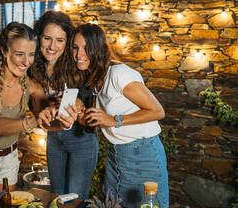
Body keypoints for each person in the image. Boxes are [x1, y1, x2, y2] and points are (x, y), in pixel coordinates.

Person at [0, 21, 77, 208]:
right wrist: (33, 120)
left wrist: (65, 122)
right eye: (19, 54)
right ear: (4, 50)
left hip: (7, 160)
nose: (26, 61)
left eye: (31, 54)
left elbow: (47, 122)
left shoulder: (32, 86)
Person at [69, 23, 169, 208]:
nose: (79, 54)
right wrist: (83, 118)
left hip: (142, 153)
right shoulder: (93, 78)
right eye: (75, 47)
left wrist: (113, 120)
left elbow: (157, 111)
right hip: (116, 155)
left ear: (98, 49)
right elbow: (103, 119)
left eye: (86, 48)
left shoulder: (119, 74)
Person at [28, 11, 98, 200]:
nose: (52, 46)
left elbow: (88, 94)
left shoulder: (78, 65)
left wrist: (79, 104)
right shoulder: (32, 67)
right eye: (47, 38)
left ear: (67, 43)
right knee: (57, 196)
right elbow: (36, 109)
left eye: (60, 40)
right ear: (39, 38)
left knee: (74, 199)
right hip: (53, 138)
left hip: (80, 138)